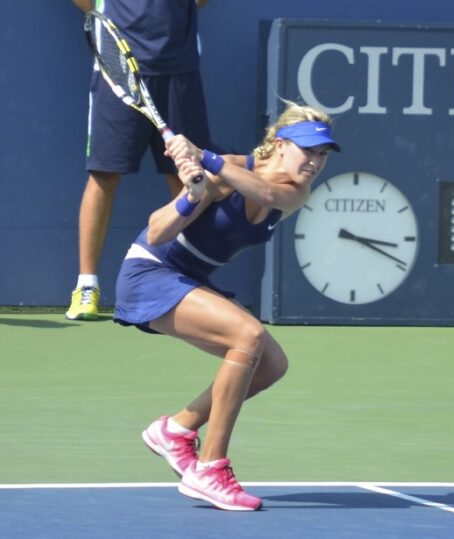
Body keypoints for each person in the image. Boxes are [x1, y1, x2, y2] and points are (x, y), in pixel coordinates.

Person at [114, 101, 340, 511]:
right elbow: (158, 229)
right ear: (280, 144)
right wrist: (192, 196)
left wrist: (206, 158)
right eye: (308, 150)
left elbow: (267, 193)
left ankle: (177, 430)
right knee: (248, 336)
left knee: (272, 364)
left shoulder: (294, 191)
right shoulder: (224, 176)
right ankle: (209, 468)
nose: (315, 161)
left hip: (190, 279)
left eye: (323, 153)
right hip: (150, 272)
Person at [67, 0, 211, 321]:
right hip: (116, 70)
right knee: (103, 175)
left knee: (186, 178)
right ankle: (87, 285)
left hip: (180, 69)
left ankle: (189, 281)